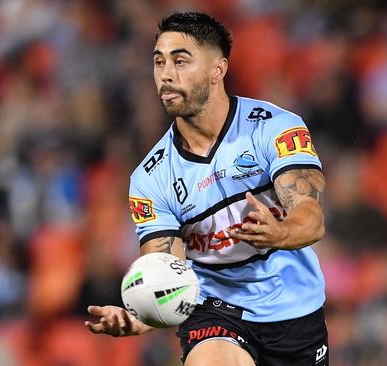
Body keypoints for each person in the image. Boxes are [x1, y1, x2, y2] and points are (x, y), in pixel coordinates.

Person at [85, 12, 329, 366]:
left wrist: (281, 231)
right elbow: (167, 269)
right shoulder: (149, 179)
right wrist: (143, 313)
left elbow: (312, 219)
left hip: (295, 311)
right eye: (159, 62)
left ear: (218, 70)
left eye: (180, 61)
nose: (166, 74)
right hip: (215, 311)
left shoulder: (275, 128)